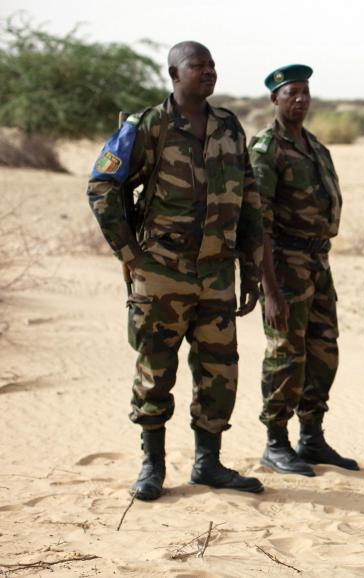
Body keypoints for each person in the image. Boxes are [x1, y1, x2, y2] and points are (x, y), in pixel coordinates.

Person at [86, 41, 265, 500]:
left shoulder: (229, 126)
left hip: (218, 273)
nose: (208, 71)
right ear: (173, 73)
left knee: (219, 371)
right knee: (155, 367)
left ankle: (208, 464)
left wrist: (252, 267)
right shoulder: (148, 125)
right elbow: (104, 185)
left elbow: (247, 199)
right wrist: (128, 253)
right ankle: (153, 467)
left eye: (212, 64)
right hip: (162, 270)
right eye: (197, 65)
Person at [248, 64, 357, 476]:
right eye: (291, 93)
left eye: (305, 92)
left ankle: (311, 437)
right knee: (285, 355)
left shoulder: (314, 147)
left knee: (323, 350)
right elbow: (259, 224)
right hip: (283, 264)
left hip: (317, 262)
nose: (300, 99)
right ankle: (275, 442)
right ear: (275, 99)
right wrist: (270, 289)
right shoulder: (266, 149)